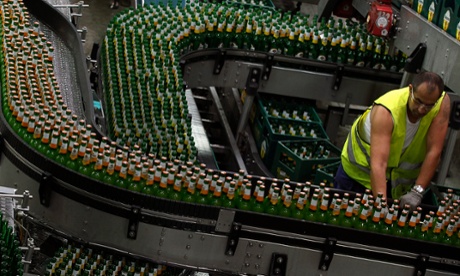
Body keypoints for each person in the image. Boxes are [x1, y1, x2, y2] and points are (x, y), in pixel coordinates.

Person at [334, 71, 451, 210]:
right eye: (418, 101)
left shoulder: (441, 103)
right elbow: (378, 164)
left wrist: (416, 192)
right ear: (410, 89)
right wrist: (381, 205)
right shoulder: (386, 111)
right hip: (357, 178)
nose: (422, 109)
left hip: (396, 185)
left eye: (429, 105)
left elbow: (434, 151)